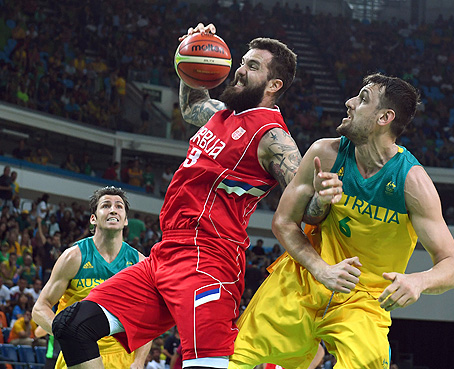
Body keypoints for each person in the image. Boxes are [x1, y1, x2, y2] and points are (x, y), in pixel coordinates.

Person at [50, 23, 341, 369]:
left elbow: (305, 211)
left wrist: (324, 196)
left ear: (274, 85)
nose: (240, 69)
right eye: (242, 62)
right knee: (72, 326)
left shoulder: (273, 138)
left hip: (209, 260)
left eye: (252, 66)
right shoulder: (220, 113)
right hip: (166, 253)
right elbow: (191, 107)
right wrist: (192, 50)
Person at [229, 73, 454, 368]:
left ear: (385, 117)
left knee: (369, 362)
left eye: (363, 98)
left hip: (362, 301)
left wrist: (418, 281)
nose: (349, 102)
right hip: (303, 278)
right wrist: (321, 269)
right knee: (233, 357)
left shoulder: (412, 183)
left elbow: (452, 266)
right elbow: (284, 222)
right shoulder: (324, 154)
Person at [32, 186, 151, 369]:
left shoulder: (138, 263)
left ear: (126, 220)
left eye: (119, 206)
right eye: (106, 205)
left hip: (121, 359)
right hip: (77, 358)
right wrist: (69, 335)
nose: (113, 209)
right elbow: (40, 308)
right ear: (93, 218)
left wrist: (139, 362)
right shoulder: (74, 257)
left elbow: (146, 319)